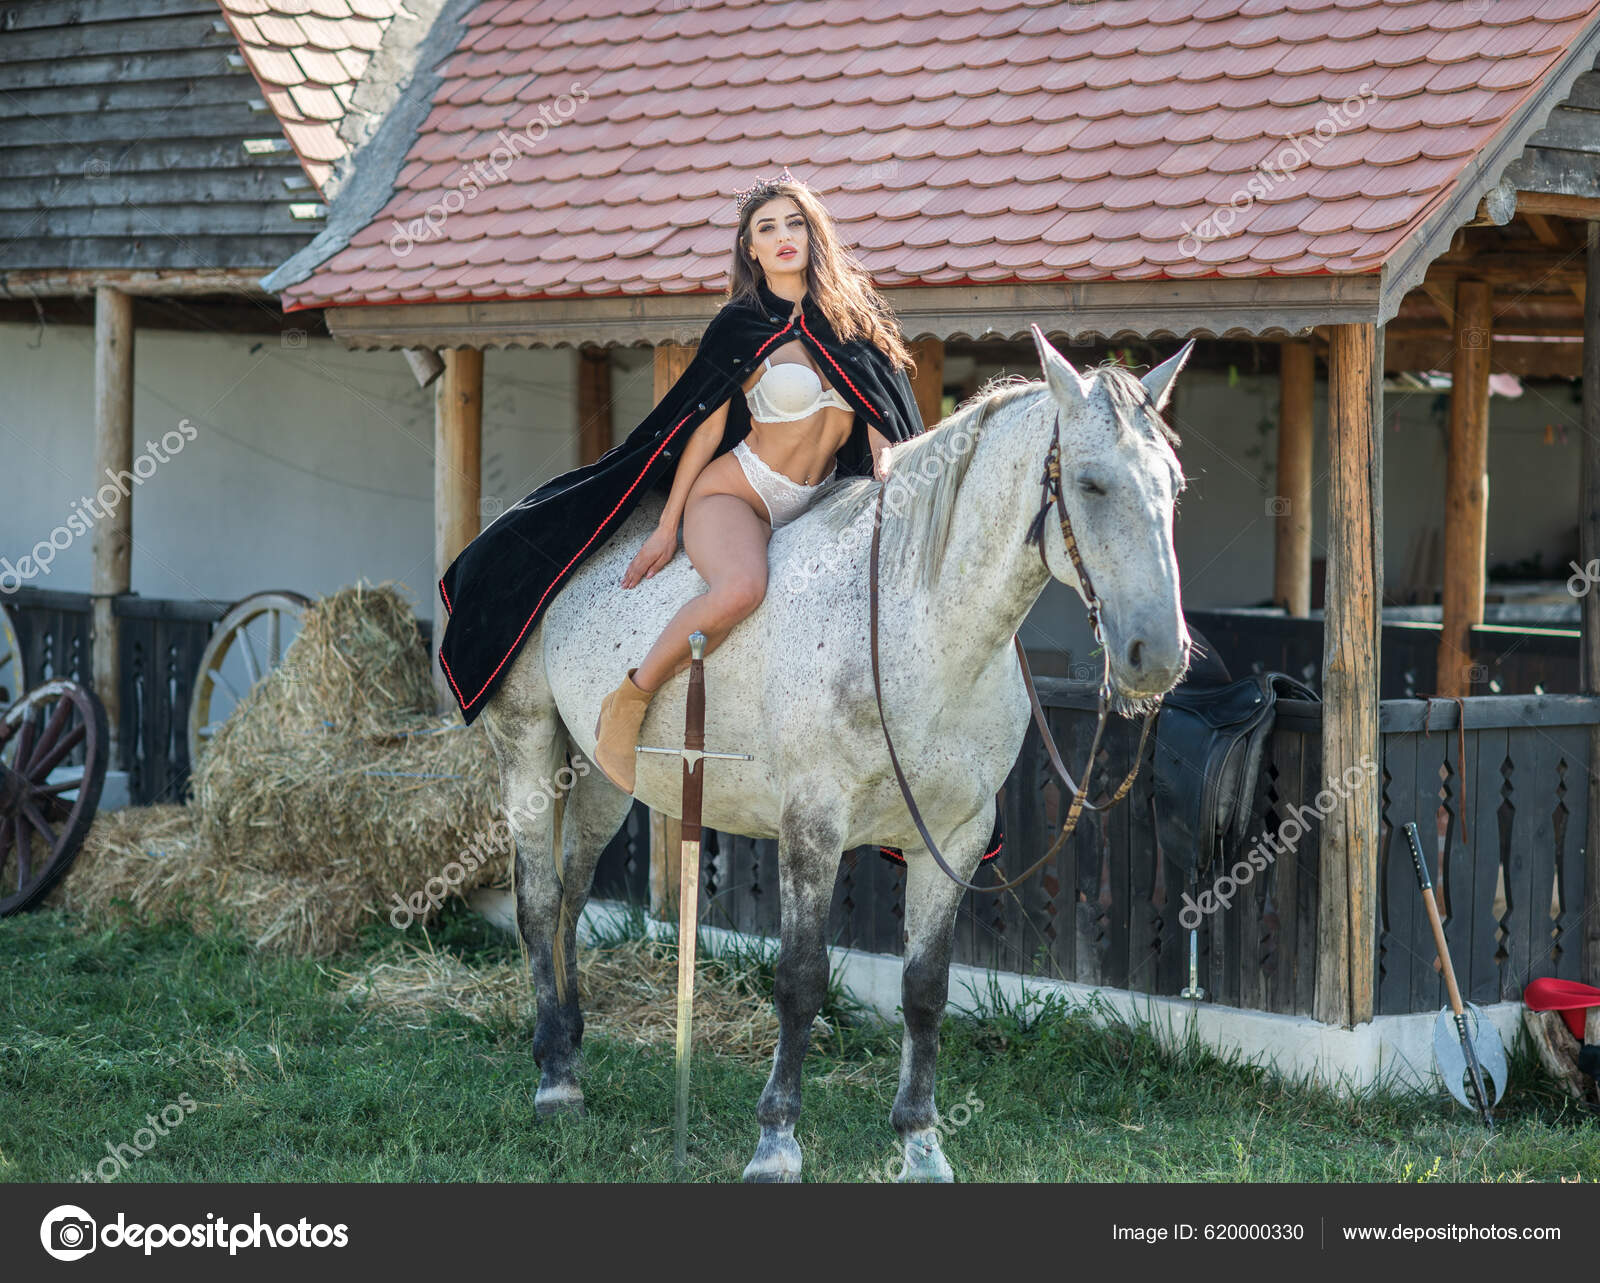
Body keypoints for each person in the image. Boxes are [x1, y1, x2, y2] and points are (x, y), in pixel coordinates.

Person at [591, 173, 915, 790]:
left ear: (814, 236)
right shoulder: (740, 326)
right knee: (742, 589)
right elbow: (704, 432)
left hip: (820, 501)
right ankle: (627, 703)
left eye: (796, 223)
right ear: (751, 248)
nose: (784, 236)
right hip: (737, 492)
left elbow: (882, 421)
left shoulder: (855, 323)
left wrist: (889, 473)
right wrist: (666, 529)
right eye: (768, 228)